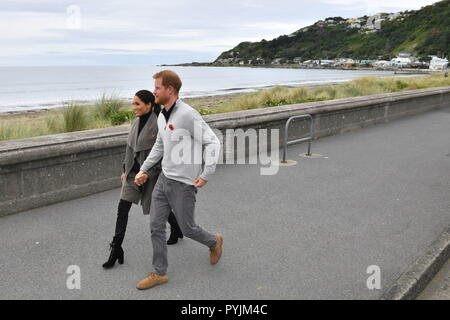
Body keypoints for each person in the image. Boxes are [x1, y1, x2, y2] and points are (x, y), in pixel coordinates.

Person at [133, 70, 223, 290]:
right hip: (164, 180)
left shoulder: (187, 114)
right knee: (155, 226)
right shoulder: (163, 114)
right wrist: (144, 169)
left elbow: (212, 142)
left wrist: (206, 174)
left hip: (184, 184)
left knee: (188, 228)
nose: (153, 91)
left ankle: (214, 241)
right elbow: (160, 145)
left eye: (157, 88)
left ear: (169, 90)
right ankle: (159, 272)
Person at [102, 90, 183, 269]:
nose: (134, 108)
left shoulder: (161, 125)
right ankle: (116, 248)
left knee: (157, 207)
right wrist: (125, 169)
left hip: (151, 176)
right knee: (122, 208)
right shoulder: (135, 122)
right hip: (133, 175)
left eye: (137, 104)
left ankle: (176, 228)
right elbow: (129, 150)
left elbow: (164, 155)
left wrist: (148, 173)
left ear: (149, 104)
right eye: (133, 103)